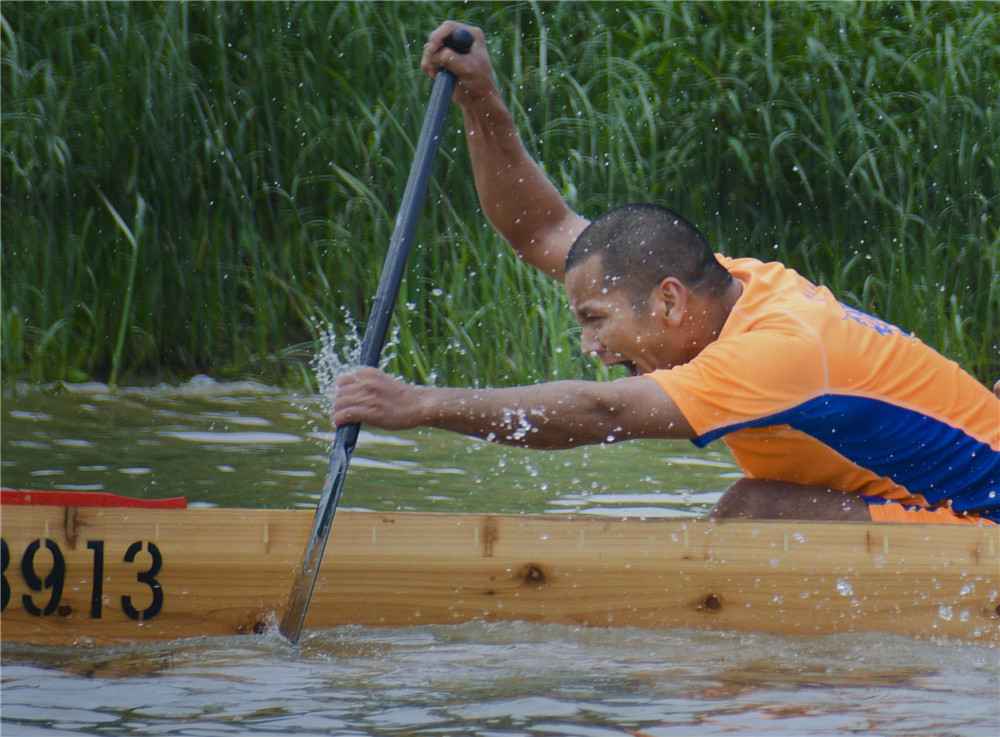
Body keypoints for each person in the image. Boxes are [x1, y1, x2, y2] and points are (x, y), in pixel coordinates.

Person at [333, 22, 1000, 525]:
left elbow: (600, 412)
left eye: (595, 320)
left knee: (755, 509)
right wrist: (481, 101)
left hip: (984, 527)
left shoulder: (773, 350)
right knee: (753, 507)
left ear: (671, 302)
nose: (589, 347)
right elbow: (540, 229)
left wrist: (418, 405)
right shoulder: (730, 285)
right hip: (929, 498)